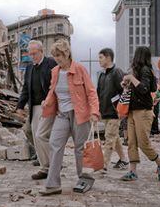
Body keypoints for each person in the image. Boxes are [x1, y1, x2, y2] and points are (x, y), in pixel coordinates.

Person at [39, 39, 100, 195]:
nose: (57, 58)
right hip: (62, 114)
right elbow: (53, 90)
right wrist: (47, 101)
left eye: (59, 55)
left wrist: (94, 112)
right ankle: (53, 184)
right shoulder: (55, 71)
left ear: (66, 53)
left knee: (80, 149)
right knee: (54, 144)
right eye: (54, 55)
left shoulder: (79, 69)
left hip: (80, 113)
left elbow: (91, 92)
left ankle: (84, 179)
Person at [120, 46, 160, 182]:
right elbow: (140, 89)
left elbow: (145, 88)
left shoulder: (145, 70)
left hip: (143, 112)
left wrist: (131, 78)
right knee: (131, 142)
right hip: (132, 111)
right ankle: (132, 171)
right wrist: (127, 83)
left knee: (143, 143)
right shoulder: (139, 72)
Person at [16, 40, 57, 180]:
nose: (32, 56)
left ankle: (50, 165)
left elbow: (56, 85)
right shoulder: (29, 68)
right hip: (34, 107)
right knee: (34, 135)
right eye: (30, 54)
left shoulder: (51, 63)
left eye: (34, 53)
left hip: (48, 106)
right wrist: (20, 106)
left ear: (41, 51)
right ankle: (45, 166)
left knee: (41, 135)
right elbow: (26, 88)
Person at [97, 47, 128, 170]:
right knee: (114, 137)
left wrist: (122, 110)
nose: (98, 60)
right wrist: (98, 110)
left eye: (100, 57)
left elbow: (124, 92)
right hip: (105, 112)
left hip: (115, 113)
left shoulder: (117, 72)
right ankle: (123, 160)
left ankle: (104, 165)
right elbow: (98, 94)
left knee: (109, 138)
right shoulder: (101, 75)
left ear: (108, 57)